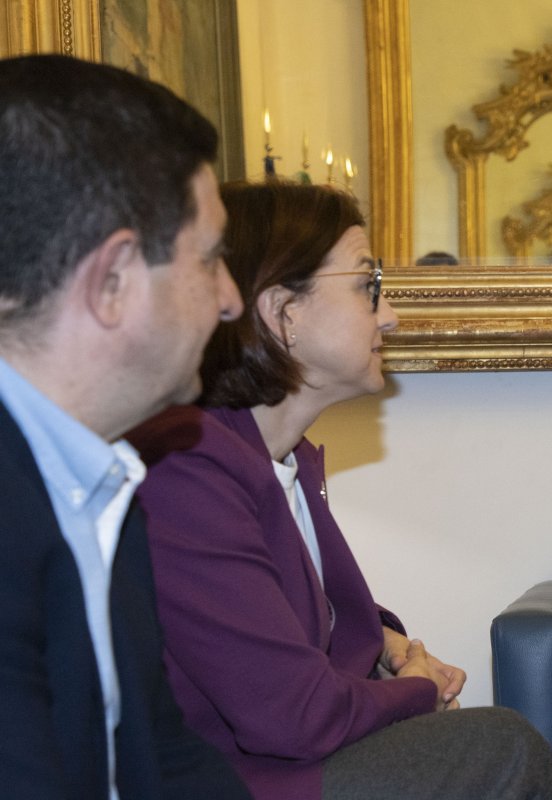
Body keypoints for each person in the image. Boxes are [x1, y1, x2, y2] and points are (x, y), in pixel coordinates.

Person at [127, 180, 552, 800]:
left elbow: (300, 612)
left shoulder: (284, 458)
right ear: (284, 312)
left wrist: (386, 642)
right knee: (501, 747)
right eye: (366, 286)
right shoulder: (187, 468)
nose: (389, 315)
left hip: (279, 766)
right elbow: (294, 715)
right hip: (227, 781)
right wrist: (419, 689)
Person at [0, 55, 251, 798]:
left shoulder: (99, 486)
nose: (232, 300)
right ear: (111, 282)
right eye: (210, 261)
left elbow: (166, 761)